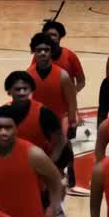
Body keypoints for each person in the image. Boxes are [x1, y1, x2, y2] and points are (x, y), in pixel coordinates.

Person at [4, 69, 71, 217]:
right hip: (18, 163)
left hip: (43, 162)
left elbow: (60, 141)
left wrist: (49, 163)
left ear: (31, 90)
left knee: (46, 208)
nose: (21, 92)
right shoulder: (3, 113)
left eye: (25, 89)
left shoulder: (44, 113)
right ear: (9, 91)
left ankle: (57, 205)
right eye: (17, 89)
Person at [28, 32, 80, 196]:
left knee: (61, 153)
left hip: (59, 121)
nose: (43, 53)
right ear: (34, 52)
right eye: (39, 50)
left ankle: (69, 170)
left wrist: (72, 122)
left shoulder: (63, 75)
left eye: (46, 50)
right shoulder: (29, 75)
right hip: (38, 123)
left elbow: (71, 101)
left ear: (51, 52)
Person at [29, 20, 85, 92]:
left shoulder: (70, 55)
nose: (52, 38)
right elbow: (30, 78)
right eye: (49, 35)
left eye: (54, 35)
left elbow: (81, 81)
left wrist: (72, 93)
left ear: (60, 37)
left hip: (65, 100)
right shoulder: (40, 56)